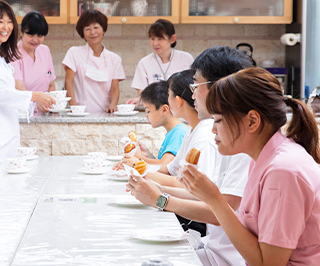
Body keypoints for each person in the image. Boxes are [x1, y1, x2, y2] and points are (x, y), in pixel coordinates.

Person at [127, 46, 255, 266]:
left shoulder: (241, 143)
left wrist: (161, 199)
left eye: (196, 85)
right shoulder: (219, 133)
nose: (192, 93)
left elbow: (221, 212)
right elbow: (206, 194)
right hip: (211, 249)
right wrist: (155, 190)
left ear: (221, 86)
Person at [181, 67, 320, 265]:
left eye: (218, 120)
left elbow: (267, 264)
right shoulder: (262, 160)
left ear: (252, 121)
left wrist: (215, 200)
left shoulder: (283, 171)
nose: (213, 129)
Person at [0, 0, 55, 158]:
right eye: (0, 22)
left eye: (9, 22)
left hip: (2, 134)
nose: (6, 27)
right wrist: (35, 96)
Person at [63, 10, 126, 113]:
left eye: (96, 27)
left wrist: (113, 105)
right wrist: (74, 108)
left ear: (103, 30)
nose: (92, 32)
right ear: (82, 32)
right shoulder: (74, 53)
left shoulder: (114, 59)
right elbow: (68, 83)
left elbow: (114, 88)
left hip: (105, 115)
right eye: (87, 29)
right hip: (80, 115)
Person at [127, 19, 194, 106]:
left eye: (160, 39)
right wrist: (138, 100)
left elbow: (193, 89)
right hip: (156, 112)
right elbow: (142, 94)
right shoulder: (144, 63)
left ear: (172, 39)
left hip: (181, 110)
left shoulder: (186, 59)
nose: (155, 43)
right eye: (152, 38)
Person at [121, 80, 189, 166]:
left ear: (164, 109)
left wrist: (138, 157)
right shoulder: (173, 131)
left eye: (148, 111)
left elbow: (164, 166)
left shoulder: (178, 133)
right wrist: (148, 155)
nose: (146, 116)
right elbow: (163, 166)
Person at [11, 11, 56, 93]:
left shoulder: (45, 50)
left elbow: (51, 84)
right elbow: (19, 87)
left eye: (40, 36)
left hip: (45, 104)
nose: (35, 40)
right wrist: (38, 101)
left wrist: (48, 104)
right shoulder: (13, 54)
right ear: (21, 32)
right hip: (24, 105)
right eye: (30, 35)